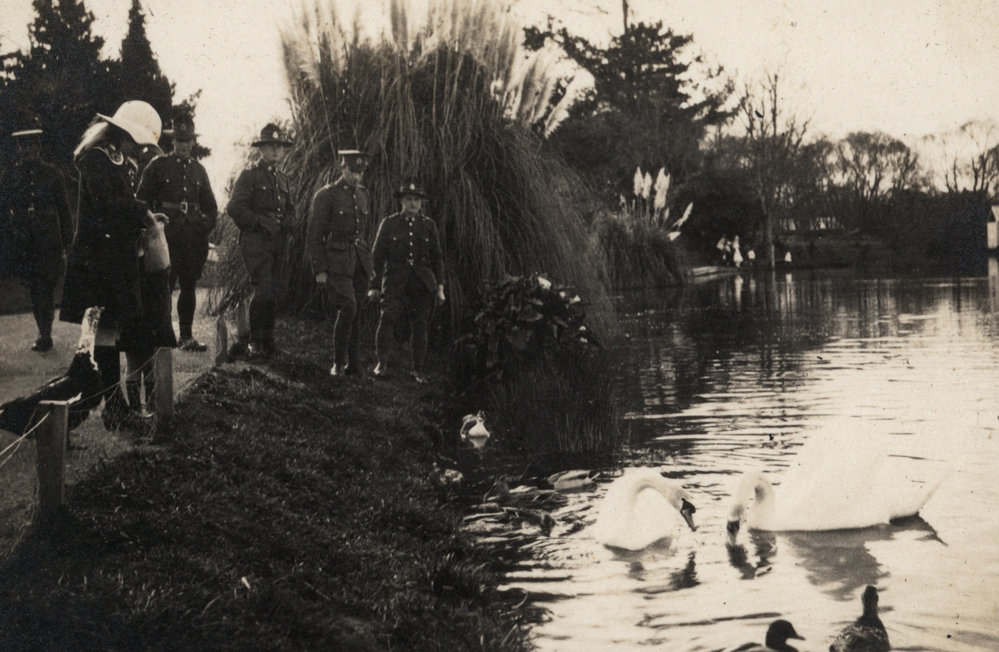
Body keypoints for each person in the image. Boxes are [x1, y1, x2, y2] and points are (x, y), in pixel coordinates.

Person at [60, 100, 169, 430]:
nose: (139, 148)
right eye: (138, 141)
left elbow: (121, 212)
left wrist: (144, 221)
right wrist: (143, 213)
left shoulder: (122, 160)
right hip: (96, 263)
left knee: (107, 337)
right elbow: (108, 206)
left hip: (116, 261)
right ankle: (112, 406)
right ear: (123, 133)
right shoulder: (96, 158)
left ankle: (102, 407)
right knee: (103, 337)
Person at [136, 115, 219, 352]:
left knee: (189, 285)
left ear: (193, 142)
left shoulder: (199, 171)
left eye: (188, 140)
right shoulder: (158, 166)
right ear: (173, 141)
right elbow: (142, 201)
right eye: (180, 140)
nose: (184, 145)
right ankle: (161, 338)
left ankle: (186, 336)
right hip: (166, 237)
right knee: (164, 287)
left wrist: (204, 225)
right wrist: (151, 228)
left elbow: (211, 207)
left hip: (193, 238)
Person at [0, 124, 73, 352]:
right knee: (33, 286)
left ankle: (45, 332)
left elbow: (64, 209)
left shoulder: (53, 174)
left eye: (31, 145)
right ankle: (43, 330)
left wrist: (68, 241)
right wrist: (11, 233)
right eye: (23, 146)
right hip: (23, 241)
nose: (27, 150)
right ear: (18, 149)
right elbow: (3, 208)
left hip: (49, 240)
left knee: (46, 283)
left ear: (39, 147)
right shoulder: (11, 175)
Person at [226, 123, 294, 359]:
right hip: (256, 241)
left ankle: (268, 339)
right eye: (270, 146)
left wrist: (288, 222)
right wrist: (259, 222)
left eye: (279, 147)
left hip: (278, 241)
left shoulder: (284, 180)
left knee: (275, 290)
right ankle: (255, 341)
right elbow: (234, 207)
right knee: (263, 289)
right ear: (261, 149)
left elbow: (291, 210)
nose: (275, 151)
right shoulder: (250, 176)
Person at [367, 180, 445, 384]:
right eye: (409, 199)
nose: (413, 204)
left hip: (422, 283)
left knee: (420, 325)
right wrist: (374, 286)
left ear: (421, 203)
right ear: (401, 201)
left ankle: (417, 370)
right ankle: (381, 364)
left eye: (417, 200)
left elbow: (437, 258)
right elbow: (376, 256)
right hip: (395, 280)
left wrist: (440, 288)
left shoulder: (429, 226)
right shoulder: (389, 223)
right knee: (388, 318)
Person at [306, 149, 374, 376]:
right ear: (342, 167)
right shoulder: (327, 195)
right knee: (348, 307)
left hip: (359, 261)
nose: (357, 177)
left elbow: (364, 231)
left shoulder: (363, 194)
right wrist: (320, 269)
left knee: (358, 310)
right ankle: (338, 362)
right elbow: (315, 235)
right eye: (353, 171)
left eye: (360, 173)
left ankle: (354, 364)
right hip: (336, 261)